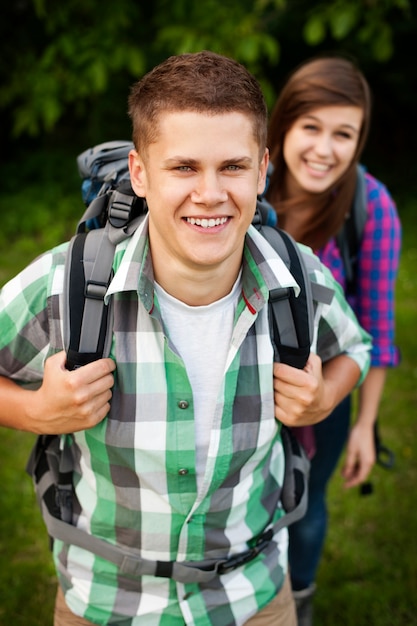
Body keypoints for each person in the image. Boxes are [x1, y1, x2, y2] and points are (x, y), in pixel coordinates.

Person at [0, 51, 371, 626]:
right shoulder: (65, 285)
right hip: (103, 601)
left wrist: (326, 397)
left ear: (262, 169)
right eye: (183, 168)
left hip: (254, 598)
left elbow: (355, 350)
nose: (210, 193)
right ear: (140, 172)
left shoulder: (298, 276)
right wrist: (33, 409)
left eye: (232, 166)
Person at [266, 55, 401, 625]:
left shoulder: (371, 209)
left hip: (322, 400)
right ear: (284, 128)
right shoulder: (243, 184)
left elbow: (376, 331)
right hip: (230, 391)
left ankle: (299, 602)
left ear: (359, 139)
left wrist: (365, 425)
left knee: (305, 509)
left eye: (343, 133)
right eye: (311, 128)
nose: (325, 149)